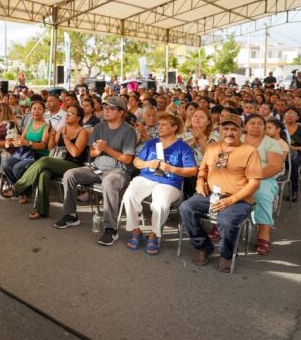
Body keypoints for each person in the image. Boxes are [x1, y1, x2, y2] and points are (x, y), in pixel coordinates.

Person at [179, 113, 262, 272]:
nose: (229, 133)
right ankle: (203, 246)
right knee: (186, 208)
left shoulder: (250, 151)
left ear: (241, 131)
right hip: (212, 195)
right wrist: (200, 182)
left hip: (239, 199)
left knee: (225, 219)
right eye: (225, 128)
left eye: (234, 129)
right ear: (220, 130)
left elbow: (254, 184)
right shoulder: (212, 147)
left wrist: (230, 201)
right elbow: (202, 169)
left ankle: (227, 254)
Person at [53, 96, 136, 247]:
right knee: (70, 174)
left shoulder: (129, 131)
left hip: (119, 171)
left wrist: (107, 149)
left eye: (111, 108)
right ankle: (70, 215)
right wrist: (97, 151)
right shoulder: (99, 127)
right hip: (97, 168)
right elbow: (91, 153)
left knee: (109, 181)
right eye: (105, 108)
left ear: (121, 112)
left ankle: (111, 228)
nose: (106, 111)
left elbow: (127, 160)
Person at [121, 112, 197, 255]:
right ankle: (136, 230)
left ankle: (153, 234)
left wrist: (172, 168)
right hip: (147, 178)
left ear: (174, 127)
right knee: (129, 196)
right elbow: (136, 162)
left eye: (163, 125)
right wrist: (148, 163)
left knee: (160, 205)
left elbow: (193, 171)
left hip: (170, 182)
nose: (159, 127)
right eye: (158, 124)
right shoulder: (152, 143)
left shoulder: (182, 147)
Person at [7, 104, 90, 219]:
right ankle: (41, 210)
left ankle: (18, 187)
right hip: (57, 162)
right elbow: (51, 148)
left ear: (78, 118)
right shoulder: (62, 129)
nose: (67, 114)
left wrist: (65, 138)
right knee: (43, 174)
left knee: (44, 160)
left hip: (73, 165)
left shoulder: (82, 132)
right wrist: (52, 136)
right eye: (67, 112)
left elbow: (75, 153)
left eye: (71, 113)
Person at [242, 114, 285, 255]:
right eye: (252, 123)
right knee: (223, 189)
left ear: (264, 127)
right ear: (245, 126)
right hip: (239, 176)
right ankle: (220, 224)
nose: (256, 126)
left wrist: (254, 177)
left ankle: (264, 235)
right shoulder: (239, 139)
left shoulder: (271, 143)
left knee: (261, 194)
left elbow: (275, 166)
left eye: (260, 123)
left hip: (264, 177)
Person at [1, 100, 50, 192]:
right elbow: (20, 140)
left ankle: (24, 192)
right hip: (25, 153)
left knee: (17, 168)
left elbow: (42, 146)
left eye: (39, 109)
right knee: (6, 165)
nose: (36, 111)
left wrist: (28, 143)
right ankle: (18, 189)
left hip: (38, 155)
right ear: (30, 111)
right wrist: (11, 142)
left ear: (44, 111)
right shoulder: (29, 125)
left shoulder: (46, 127)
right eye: (34, 109)